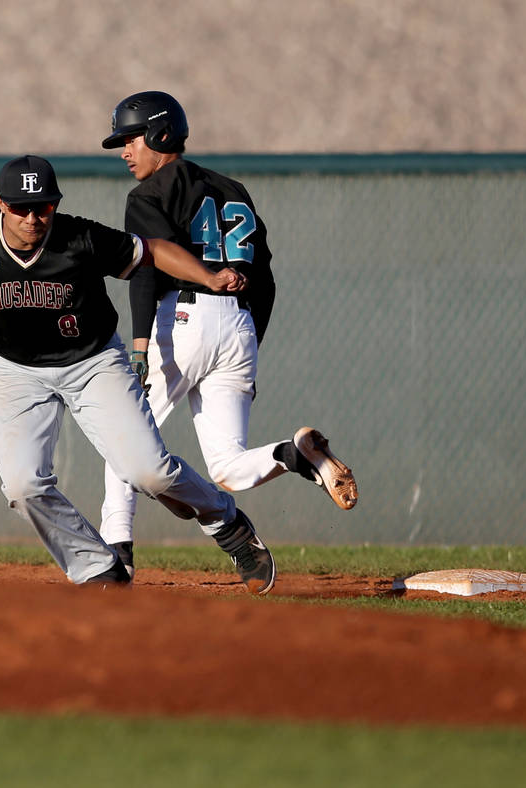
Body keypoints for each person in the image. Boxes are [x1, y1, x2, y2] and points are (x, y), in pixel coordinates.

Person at [0, 154, 276, 594]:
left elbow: (151, 250)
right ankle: (99, 570)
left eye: (43, 206)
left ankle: (225, 521)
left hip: (94, 363)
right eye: (21, 207)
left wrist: (209, 278)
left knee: (149, 473)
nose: (33, 217)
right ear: (2, 204)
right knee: (22, 487)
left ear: (55, 203)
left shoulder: (78, 237)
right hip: (17, 372)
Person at [99, 91, 358, 578]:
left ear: (160, 134)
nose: (125, 152)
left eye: (131, 139)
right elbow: (267, 275)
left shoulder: (148, 195)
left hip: (181, 320)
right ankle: (292, 455)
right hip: (239, 322)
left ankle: (117, 554)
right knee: (227, 466)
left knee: (124, 436)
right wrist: (248, 336)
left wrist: (138, 343)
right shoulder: (233, 189)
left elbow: (148, 271)